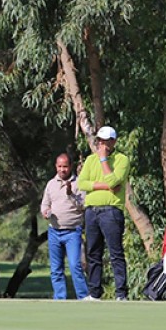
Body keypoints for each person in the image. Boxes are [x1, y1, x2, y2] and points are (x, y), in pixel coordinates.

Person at [77, 126, 130, 301]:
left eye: (106, 141)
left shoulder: (122, 160)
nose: (102, 144)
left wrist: (103, 160)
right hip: (91, 211)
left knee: (115, 253)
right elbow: (82, 183)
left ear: (113, 142)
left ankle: (121, 294)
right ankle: (94, 293)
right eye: (100, 140)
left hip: (111, 212)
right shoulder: (90, 160)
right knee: (93, 253)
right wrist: (105, 186)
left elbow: (115, 180)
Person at [41, 153, 88, 300]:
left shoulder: (79, 183)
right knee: (56, 269)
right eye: (60, 166)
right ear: (56, 166)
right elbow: (45, 203)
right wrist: (45, 211)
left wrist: (70, 194)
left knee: (75, 266)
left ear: (71, 167)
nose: (62, 170)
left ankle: (83, 297)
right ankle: (60, 298)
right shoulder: (51, 184)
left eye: (65, 166)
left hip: (72, 232)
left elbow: (83, 207)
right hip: (54, 231)